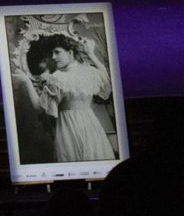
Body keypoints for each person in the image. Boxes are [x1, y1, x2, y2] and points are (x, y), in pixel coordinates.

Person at [25, 31, 117, 162]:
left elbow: (38, 106)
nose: (53, 57)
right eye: (51, 53)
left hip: (69, 128)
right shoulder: (90, 72)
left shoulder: (58, 78)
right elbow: (106, 78)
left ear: (70, 52)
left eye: (57, 52)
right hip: (90, 125)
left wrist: (25, 81)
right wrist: (91, 54)